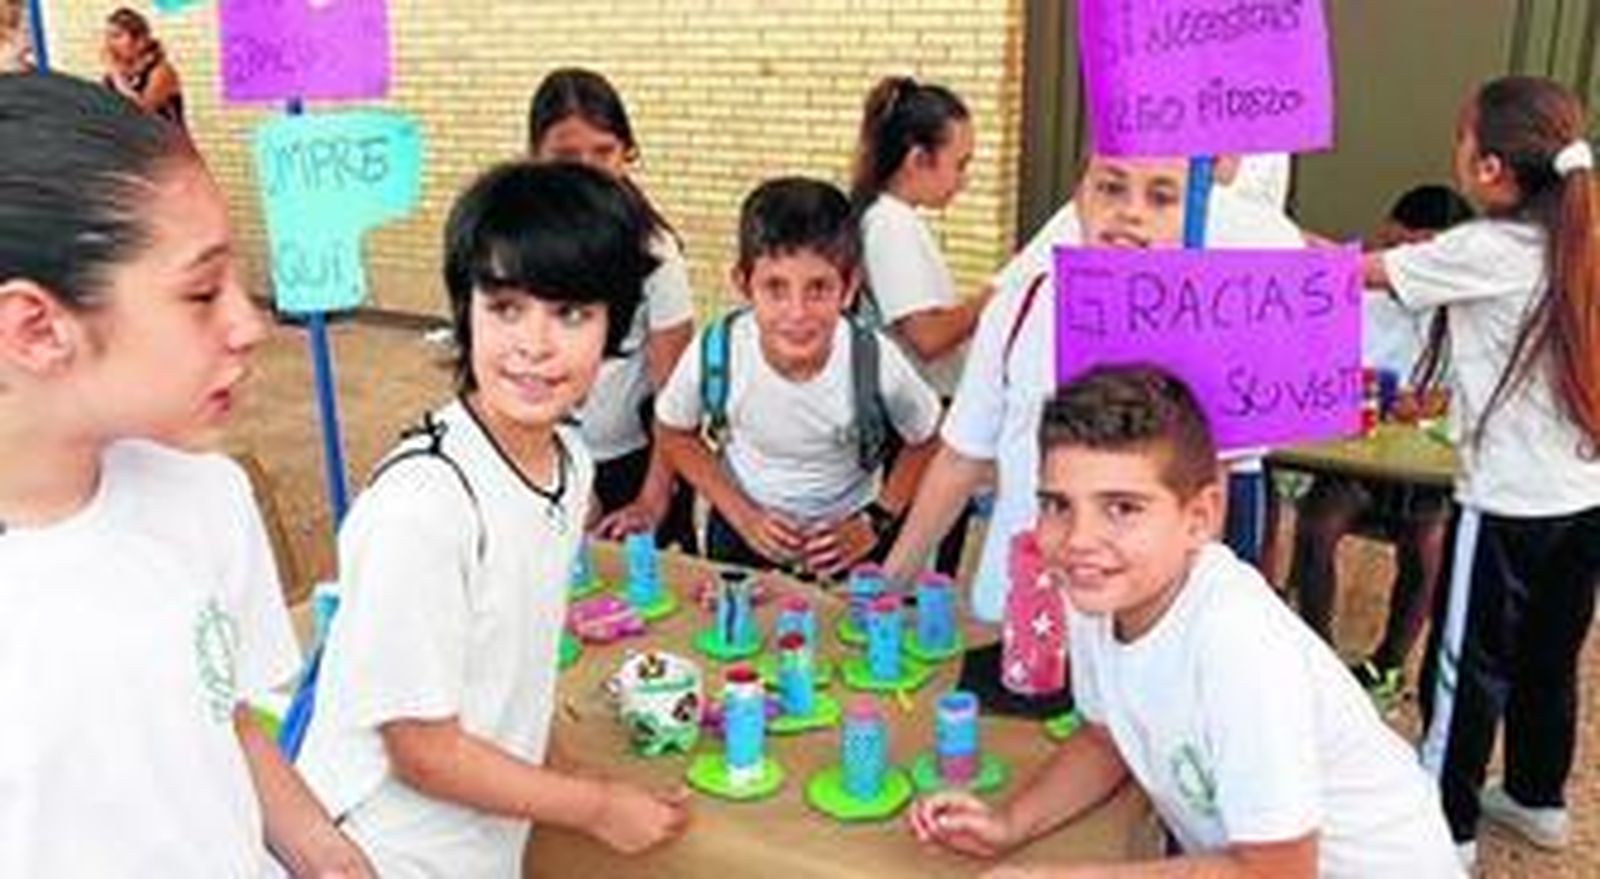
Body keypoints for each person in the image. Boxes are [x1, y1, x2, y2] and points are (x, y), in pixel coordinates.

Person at [0, 71, 369, 877]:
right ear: (36, 328)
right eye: (202, 292)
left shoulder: (207, 496)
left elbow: (217, 717)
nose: (249, 323)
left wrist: (322, 848)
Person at [908, 365, 1461, 878]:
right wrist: (1009, 825)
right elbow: (1105, 741)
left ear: (1200, 518)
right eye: (1058, 505)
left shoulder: (1237, 645)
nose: (1079, 539)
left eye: (1122, 508)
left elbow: (1276, 870)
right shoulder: (1100, 592)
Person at [295, 162, 688, 876]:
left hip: (479, 848)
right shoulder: (423, 505)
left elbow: (513, 668)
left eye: (571, 313)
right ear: (464, 310)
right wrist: (595, 804)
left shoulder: (570, 462)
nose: (535, 344)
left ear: (615, 325)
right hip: (382, 853)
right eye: (506, 307)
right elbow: (422, 751)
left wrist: (569, 774)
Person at [883, 153, 1303, 621]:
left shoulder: (1215, 328)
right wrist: (889, 583)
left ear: (1193, 217)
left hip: (1133, 629)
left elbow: (1210, 500)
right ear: (1079, 199)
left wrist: (1174, 632)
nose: (1131, 212)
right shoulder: (1019, 309)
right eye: (1111, 188)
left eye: (1160, 197)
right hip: (1015, 610)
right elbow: (961, 458)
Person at [1365, 75, 1600, 866]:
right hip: (1584, 496)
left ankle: (1445, 827)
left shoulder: (1487, 248)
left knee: (1466, 665)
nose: (1457, 151)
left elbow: (1360, 273)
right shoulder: (1583, 238)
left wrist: (1254, 243)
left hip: (1506, 505)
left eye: (1462, 138)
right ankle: (1537, 796)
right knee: (1549, 656)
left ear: (1491, 167)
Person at [656, 176, 942, 577]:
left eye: (818, 288)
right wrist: (742, 515)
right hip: (741, 532)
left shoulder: (875, 360)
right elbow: (673, 431)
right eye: (775, 288)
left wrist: (876, 520)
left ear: (849, 287)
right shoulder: (716, 353)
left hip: (849, 540)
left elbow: (928, 438)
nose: (797, 313)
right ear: (743, 284)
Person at [1288, 185, 1474, 708]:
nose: (1404, 269)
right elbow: (1316, 367)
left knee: (1428, 545)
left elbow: (1464, 393)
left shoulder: (1465, 312)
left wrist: (1430, 403)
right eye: (1396, 250)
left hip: (1423, 468)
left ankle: (1388, 664)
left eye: (1422, 256)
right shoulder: (1355, 296)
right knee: (1318, 525)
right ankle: (1317, 657)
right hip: (1355, 457)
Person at [528, 67, 698, 551]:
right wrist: (564, 479)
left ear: (627, 154)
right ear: (535, 157)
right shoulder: (517, 251)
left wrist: (652, 499)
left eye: (603, 151)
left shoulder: (654, 253)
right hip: (544, 461)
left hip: (639, 467)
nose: (587, 170)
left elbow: (675, 396)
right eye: (566, 156)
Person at [851, 75, 987, 576]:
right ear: (917, 159)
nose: (964, 180)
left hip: (916, 415)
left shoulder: (891, 218)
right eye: (960, 164)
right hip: (913, 422)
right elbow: (928, 337)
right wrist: (993, 297)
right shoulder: (890, 225)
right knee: (914, 564)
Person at [100, 7, 184, 130]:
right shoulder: (116, 75)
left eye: (116, 36)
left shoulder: (161, 71)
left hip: (163, 140)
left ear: (139, 40)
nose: (108, 44)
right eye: (108, 37)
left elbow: (141, 113)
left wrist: (115, 74)